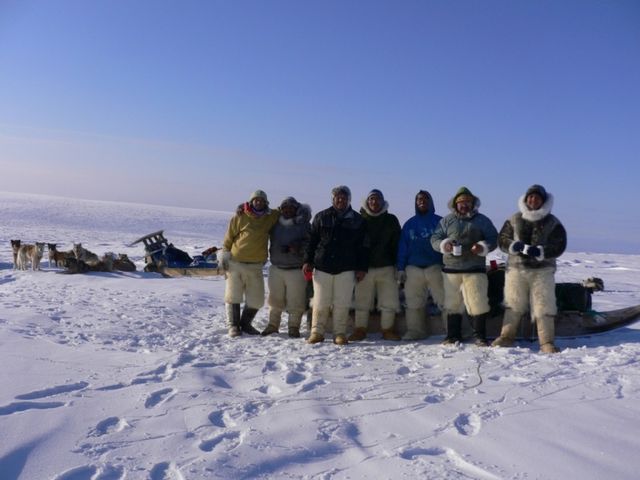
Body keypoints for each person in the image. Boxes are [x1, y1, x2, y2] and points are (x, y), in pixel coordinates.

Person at [491, 184, 567, 353]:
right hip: (516, 269)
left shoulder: (553, 222)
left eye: (537, 197)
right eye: (530, 197)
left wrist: (541, 251)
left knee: (544, 305)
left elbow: (559, 245)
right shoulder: (514, 219)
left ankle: (547, 342)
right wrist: (513, 246)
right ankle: (506, 337)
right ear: (526, 199)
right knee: (513, 303)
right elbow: (502, 239)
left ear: (543, 201)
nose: (533, 200)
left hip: (543, 271)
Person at [303, 185, 369, 345]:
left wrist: (362, 268)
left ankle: (340, 333)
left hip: (346, 268)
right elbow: (311, 241)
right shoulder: (321, 217)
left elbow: (363, 246)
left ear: (349, 199)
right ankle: (317, 332)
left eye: (344, 197)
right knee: (320, 302)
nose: (341, 200)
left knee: (342, 303)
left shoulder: (358, 220)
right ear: (333, 199)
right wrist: (307, 261)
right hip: (322, 266)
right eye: (338, 197)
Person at [431, 187, 498, 346]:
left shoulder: (482, 220)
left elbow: (493, 238)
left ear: (473, 203)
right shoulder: (446, 221)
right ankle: (453, 336)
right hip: (451, 269)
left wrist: (482, 247)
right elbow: (435, 238)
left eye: (467, 202)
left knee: (478, 302)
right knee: (452, 304)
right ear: (455, 204)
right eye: (461, 202)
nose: (464, 205)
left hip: (475, 268)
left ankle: (480, 336)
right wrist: (444, 245)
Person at [221, 190, 280, 337]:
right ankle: (233, 326)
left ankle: (245, 323)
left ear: (266, 202)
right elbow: (228, 238)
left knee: (257, 298)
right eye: (256, 200)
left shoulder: (270, 217)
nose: (258, 202)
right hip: (236, 262)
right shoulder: (240, 216)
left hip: (255, 265)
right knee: (233, 295)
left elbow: (284, 209)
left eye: (261, 200)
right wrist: (224, 256)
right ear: (251, 201)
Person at [350, 189, 401, 341]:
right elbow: (354, 245)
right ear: (367, 201)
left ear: (382, 201)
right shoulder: (359, 219)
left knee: (389, 301)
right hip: (365, 268)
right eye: (371, 199)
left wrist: (398, 265)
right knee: (362, 301)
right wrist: (356, 266)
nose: (374, 202)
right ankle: (360, 329)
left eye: (377, 199)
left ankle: (387, 330)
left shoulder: (391, 220)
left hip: (387, 267)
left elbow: (397, 244)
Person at [396, 190, 445, 340]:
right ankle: (416, 331)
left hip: (436, 266)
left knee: (446, 300)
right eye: (419, 200)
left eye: (425, 199)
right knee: (413, 302)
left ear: (431, 202)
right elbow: (403, 247)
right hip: (413, 268)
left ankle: (456, 330)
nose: (422, 201)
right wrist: (400, 268)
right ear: (416, 203)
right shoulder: (409, 224)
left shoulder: (441, 222)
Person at [261, 197, 312, 338]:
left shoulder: (304, 224)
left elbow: (311, 244)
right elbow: (259, 216)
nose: (288, 210)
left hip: (296, 268)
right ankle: (273, 325)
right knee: (274, 299)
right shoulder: (275, 223)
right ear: (281, 209)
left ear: (296, 209)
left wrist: (298, 248)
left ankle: (293, 327)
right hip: (276, 267)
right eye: (285, 208)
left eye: (291, 207)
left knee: (296, 300)